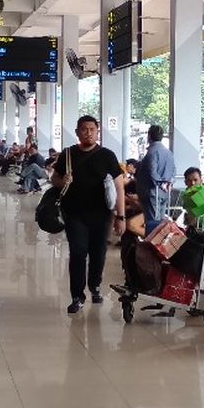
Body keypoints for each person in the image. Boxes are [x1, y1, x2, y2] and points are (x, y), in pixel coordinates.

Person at [50, 116, 126, 315]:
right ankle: (77, 296)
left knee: (98, 253)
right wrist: (62, 180)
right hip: (74, 213)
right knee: (77, 253)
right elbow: (54, 177)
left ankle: (95, 285)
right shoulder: (68, 154)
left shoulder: (107, 156)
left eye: (92, 129)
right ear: (77, 132)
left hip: (102, 215)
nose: (89, 133)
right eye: (84, 129)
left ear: (97, 131)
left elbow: (119, 187)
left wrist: (121, 216)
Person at [134, 125, 175, 232]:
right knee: (160, 221)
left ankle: (151, 245)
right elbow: (173, 171)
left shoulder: (152, 153)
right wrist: (168, 183)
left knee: (152, 222)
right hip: (164, 192)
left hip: (152, 192)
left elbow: (152, 172)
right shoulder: (169, 153)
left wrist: (160, 183)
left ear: (149, 136)